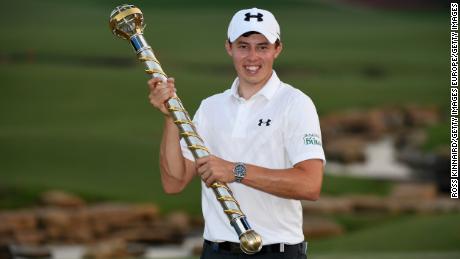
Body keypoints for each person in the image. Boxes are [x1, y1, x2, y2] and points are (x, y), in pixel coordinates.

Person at [148, 7, 325, 259]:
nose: (252, 57)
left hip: (277, 252)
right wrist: (170, 118)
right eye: (243, 46)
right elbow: (174, 182)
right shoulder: (210, 107)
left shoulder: (295, 104)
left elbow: (310, 185)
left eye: (262, 47)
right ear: (229, 47)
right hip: (217, 251)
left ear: (277, 49)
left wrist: (236, 171)